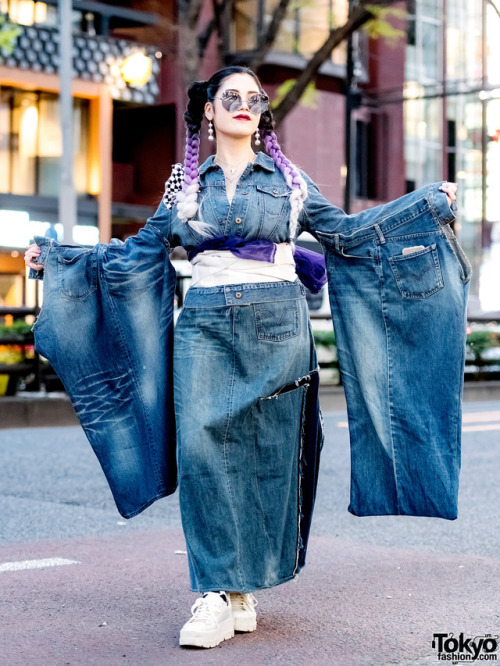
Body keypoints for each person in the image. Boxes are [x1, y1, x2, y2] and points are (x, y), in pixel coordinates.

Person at [24, 65, 459, 650]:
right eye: (231, 96)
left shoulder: (291, 180)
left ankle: (242, 587)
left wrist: (426, 205)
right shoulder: (184, 185)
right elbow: (137, 255)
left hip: (280, 326)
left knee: (268, 460)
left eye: (254, 98)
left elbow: (350, 235)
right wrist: (58, 260)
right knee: (203, 452)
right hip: (203, 325)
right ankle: (211, 591)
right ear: (207, 108)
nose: (244, 104)